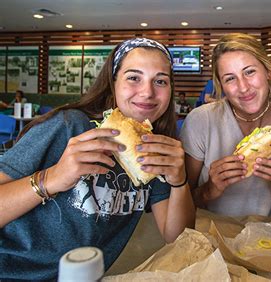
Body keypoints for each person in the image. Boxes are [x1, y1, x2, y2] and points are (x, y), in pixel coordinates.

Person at [0, 38, 195, 280]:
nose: (148, 92)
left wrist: (179, 180)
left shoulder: (154, 149)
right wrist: (53, 177)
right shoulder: (69, 126)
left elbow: (176, 238)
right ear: (113, 83)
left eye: (160, 81)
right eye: (134, 77)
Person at [180, 33, 271, 218]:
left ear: (268, 72)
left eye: (249, 72)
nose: (243, 87)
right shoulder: (201, 120)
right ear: (221, 86)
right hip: (208, 236)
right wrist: (209, 190)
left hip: (267, 240)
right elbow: (179, 205)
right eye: (230, 78)